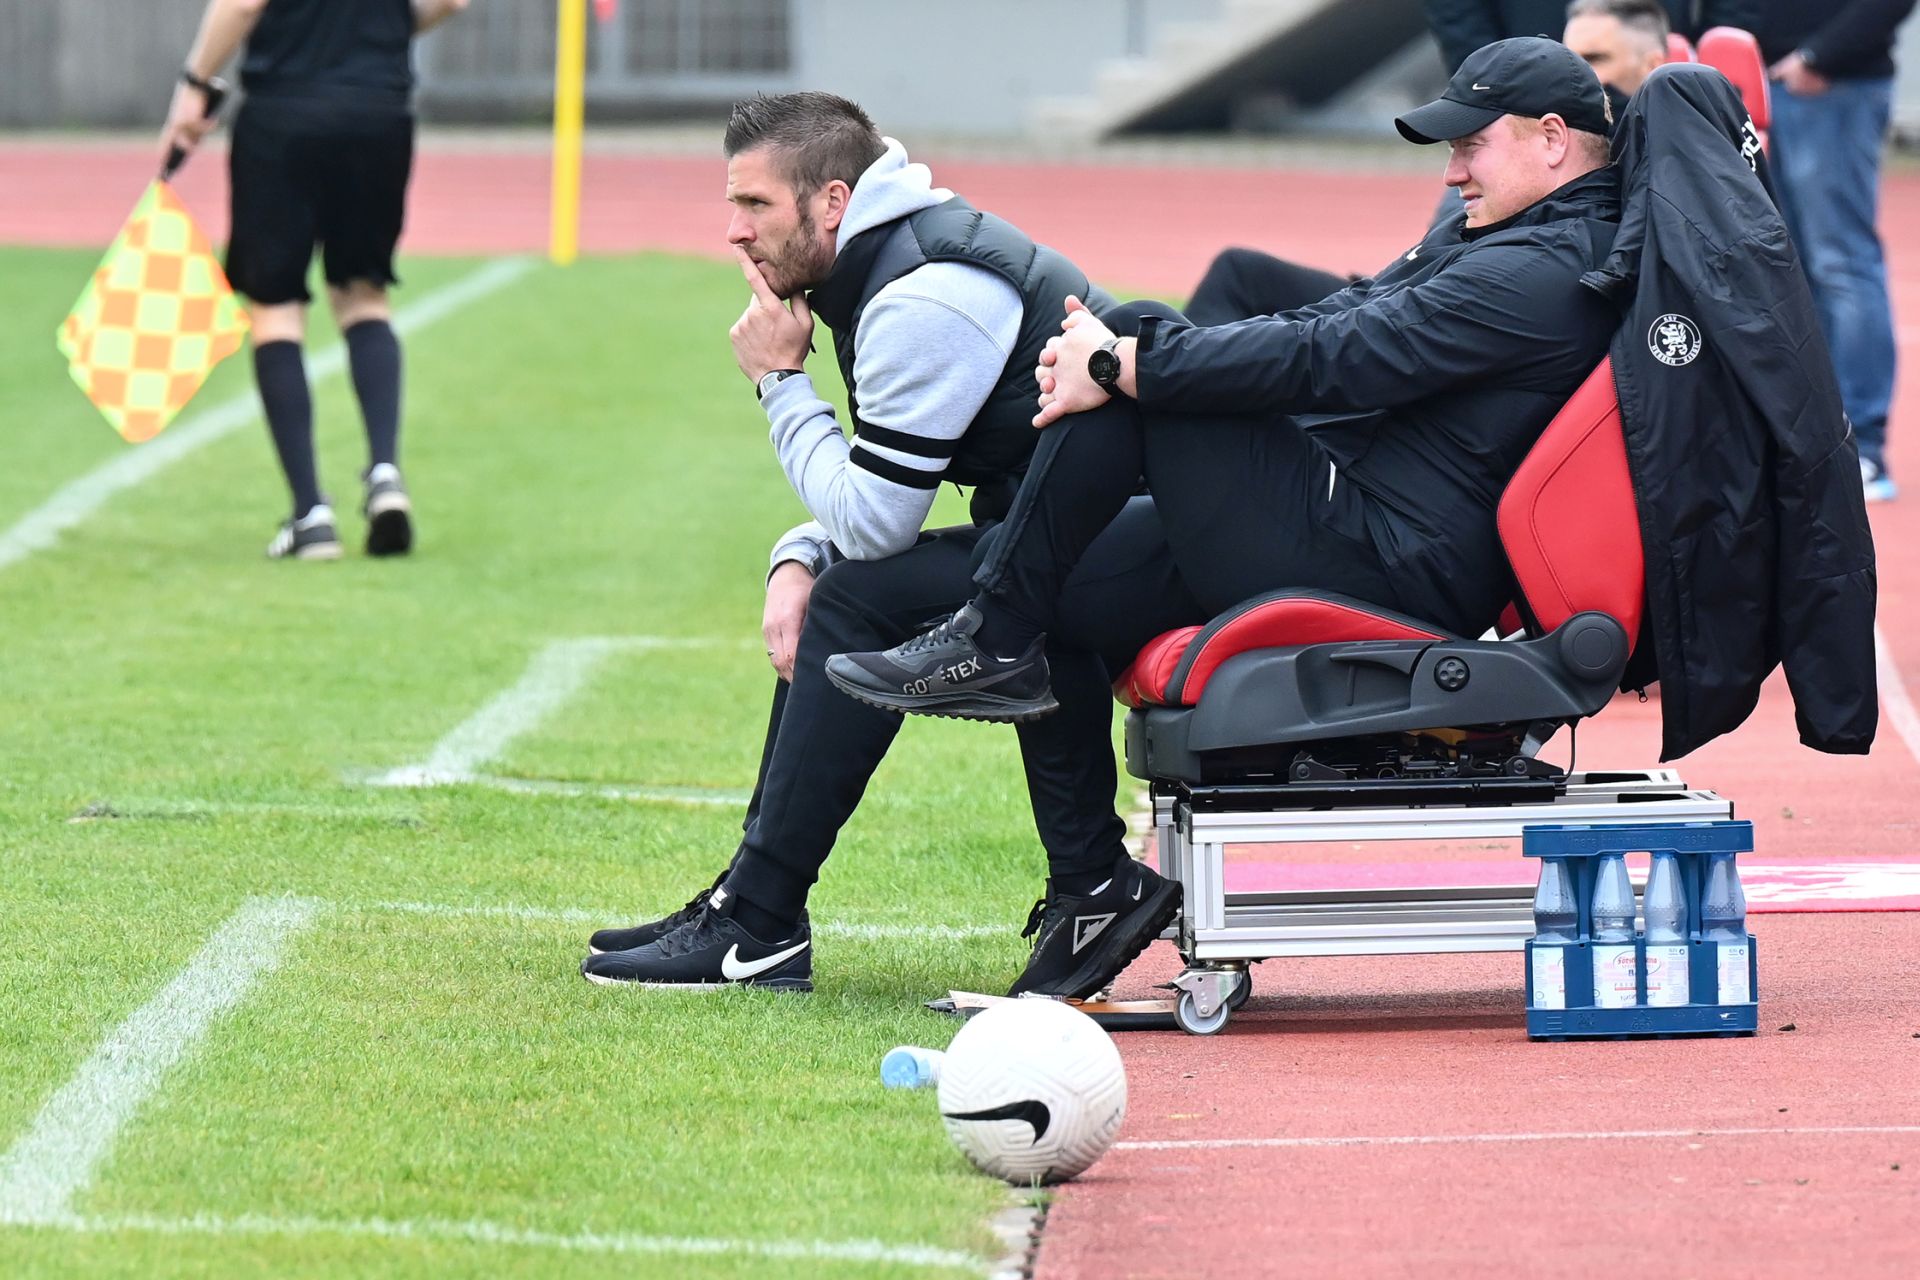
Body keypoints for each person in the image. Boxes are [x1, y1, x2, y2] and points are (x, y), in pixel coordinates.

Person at [829, 39, 1621, 760]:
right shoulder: (1516, 240)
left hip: (1388, 564)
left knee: (1137, 345)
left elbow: (1343, 357)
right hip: (1360, 520)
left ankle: (994, 636)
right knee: (1068, 553)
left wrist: (1125, 366)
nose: (1452, 174)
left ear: (1553, 139)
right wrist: (1132, 363)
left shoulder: (1542, 272)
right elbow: (1345, 316)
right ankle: (1091, 880)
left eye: (1471, 147)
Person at [579, 94, 1184, 997]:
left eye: (755, 207)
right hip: (1097, 529)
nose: (735, 234)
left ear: (831, 202)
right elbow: (887, 481)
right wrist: (799, 548)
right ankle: (1090, 883)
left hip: (1152, 538)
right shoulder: (892, 258)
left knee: (859, 598)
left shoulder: (924, 296)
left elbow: (873, 527)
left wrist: (782, 383)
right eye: (731, 205)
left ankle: (758, 920)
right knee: (934, 583)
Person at [160, 0, 467, 560]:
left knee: (276, 309)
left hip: (285, 111)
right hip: (379, 110)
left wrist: (195, 82)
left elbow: (243, 4)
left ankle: (310, 515)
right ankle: (384, 475)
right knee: (363, 295)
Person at [1189, 0, 1680, 329]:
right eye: (1569, 56)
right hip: (1421, 291)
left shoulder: (1655, 165)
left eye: (1595, 58)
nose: (1576, 74)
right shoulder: (1511, 157)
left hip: (1454, 314)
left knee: (1172, 359)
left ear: (1654, 65)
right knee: (1230, 283)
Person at [1759, 0, 1916, 502]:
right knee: (1783, 265)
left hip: (1830, 84)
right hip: (1756, 82)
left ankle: (1861, 447)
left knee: (1840, 263)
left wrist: (1821, 55)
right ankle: (1811, 442)